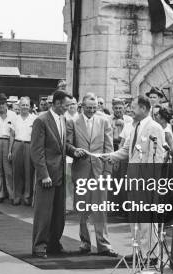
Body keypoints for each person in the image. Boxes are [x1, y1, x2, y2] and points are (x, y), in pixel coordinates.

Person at [103, 96, 165, 258]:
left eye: (133, 107)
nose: (130, 110)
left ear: (144, 109)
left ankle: (150, 254)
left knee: (147, 219)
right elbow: (126, 150)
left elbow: (158, 157)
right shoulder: (133, 126)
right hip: (133, 178)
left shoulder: (155, 128)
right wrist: (111, 156)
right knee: (135, 218)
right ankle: (138, 250)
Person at [66, 95, 117, 256]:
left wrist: (108, 172)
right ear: (82, 106)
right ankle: (85, 243)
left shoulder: (104, 122)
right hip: (81, 171)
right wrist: (74, 151)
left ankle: (104, 245)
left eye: (95, 107)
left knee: (100, 209)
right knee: (83, 209)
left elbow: (109, 149)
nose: (92, 110)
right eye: (89, 107)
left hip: (99, 171)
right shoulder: (72, 122)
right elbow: (67, 144)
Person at [31, 90, 72, 258]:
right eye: (66, 105)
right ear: (56, 103)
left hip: (60, 173)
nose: (68, 108)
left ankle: (54, 243)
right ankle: (39, 246)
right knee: (44, 213)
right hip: (47, 175)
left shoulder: (63, 119)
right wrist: (43, 175)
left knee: (58, 214)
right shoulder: (41, 121)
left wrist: (74, 151)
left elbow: (63, 146)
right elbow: (36, 151)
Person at [9, 97, 36, 206]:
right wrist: (10, 151)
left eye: (27, 105)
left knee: (29, 172)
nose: (25, 107)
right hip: (17, 144)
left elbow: (36, 136)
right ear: (19, 106)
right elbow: (11, 135)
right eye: (23, 105)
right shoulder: (15, 118)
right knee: (17, 171)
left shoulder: (34, 118)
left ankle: (27, 197)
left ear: (30, 107)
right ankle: (17, 197)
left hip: (29, 145)